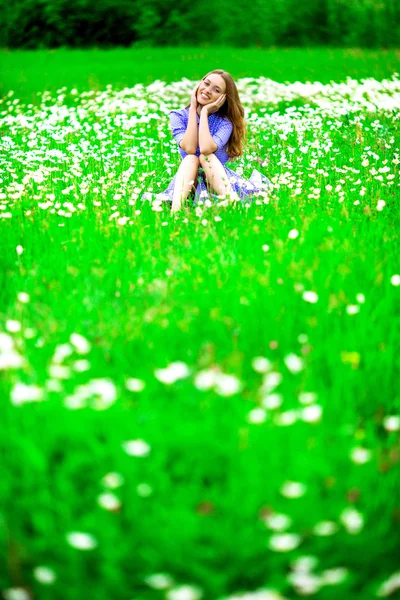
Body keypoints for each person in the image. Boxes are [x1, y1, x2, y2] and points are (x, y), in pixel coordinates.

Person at [147, 69, 271, 212]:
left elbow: (206, 149)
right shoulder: (178, 116)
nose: (207, 90)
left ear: (223, 98)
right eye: (206, 83)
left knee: (207, 158)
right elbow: (189, 148)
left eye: (216, 90)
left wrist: (205, 113)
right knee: (191, 159)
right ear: (199, 84)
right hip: (188, 181)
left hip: (216, 182)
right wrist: (193, 108)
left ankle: (232, 205)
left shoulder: (225, 123)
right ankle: (176, 212)